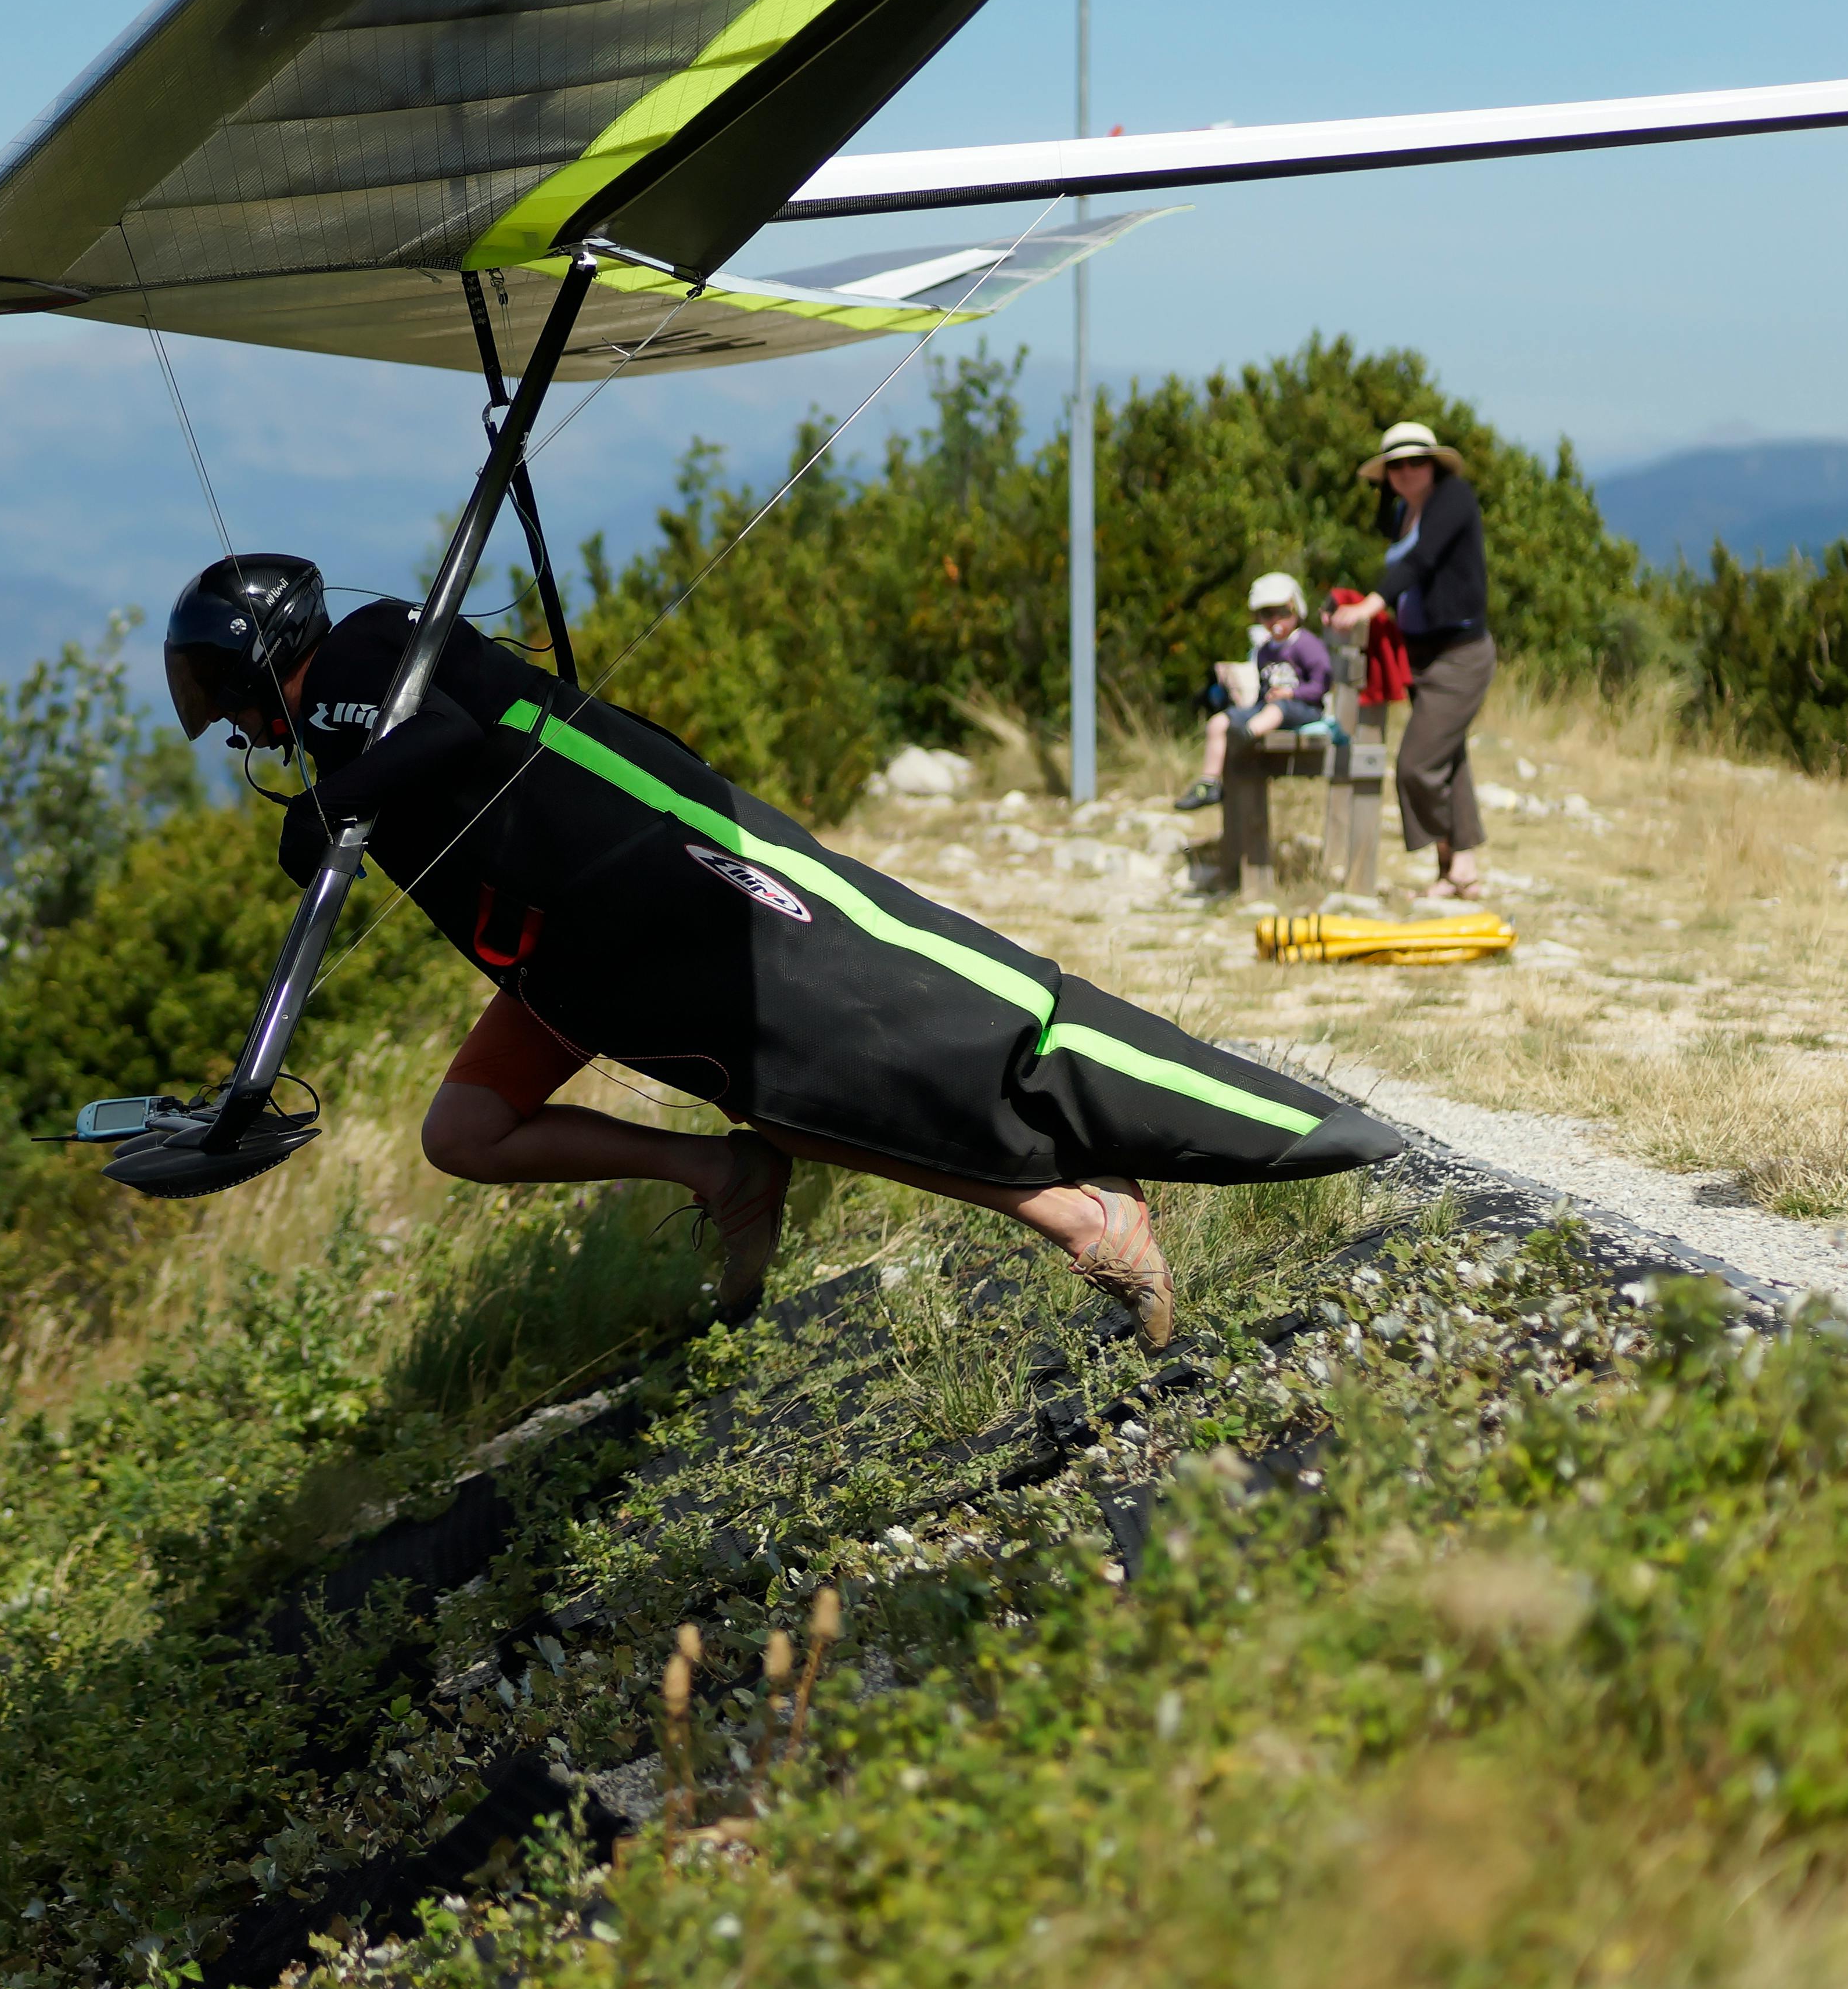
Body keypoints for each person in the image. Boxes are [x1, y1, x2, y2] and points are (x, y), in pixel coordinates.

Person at [160, 555, 1404, 1350]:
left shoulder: (364, 662)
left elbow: (448, 738)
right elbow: (416, 762)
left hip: (639, 894)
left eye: (225, 692)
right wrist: (334, 801)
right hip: (565, 953)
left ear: (257, 659)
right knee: (464, 1132)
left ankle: (1081, 1214)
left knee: (817, 1084)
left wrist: (333, 801)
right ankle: (722, 1179)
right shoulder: (352, 709)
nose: (230, 720)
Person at [1328, 421, 1492, 898]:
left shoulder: (1454, 498)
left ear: (1434, 464)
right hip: (1419, 655)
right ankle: (1458, 870)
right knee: (1450, 760)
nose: (1405, 472)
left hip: (1460, 654)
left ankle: (1454, 860)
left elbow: (1420, 561)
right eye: (1395, 466)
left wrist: (1369, 606)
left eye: (1415, 462)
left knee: (1418, 766)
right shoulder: (1403, 511)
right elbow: (1398, 555)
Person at [1173, 572, 1333, 812]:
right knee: (1219, 722)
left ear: (1296, 610)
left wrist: (1291, 694)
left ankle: (1245, 737)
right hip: (1268, 708)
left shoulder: (1306, 644)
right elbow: (1263, 689)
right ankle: (1209, 783)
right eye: (1267, 614)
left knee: (1277, 709)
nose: (1275, 620)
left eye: (1283, 612)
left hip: (1303, 708)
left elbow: (1321, 685)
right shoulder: (1265, 650)